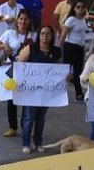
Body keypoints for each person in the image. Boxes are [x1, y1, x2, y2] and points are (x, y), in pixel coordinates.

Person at [17, 25, 64, 153]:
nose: (45, 36)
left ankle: (38, 143)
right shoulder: (31, 48)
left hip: (46, 91)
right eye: (42, 33)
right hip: (31, 90)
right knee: (28, 118)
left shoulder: (56, 51)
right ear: (39, 35)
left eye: (48, 34)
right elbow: (20, 65)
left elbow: (60, 69)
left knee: (41, 118)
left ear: (52, 36)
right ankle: (26, 144)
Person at [59, 0, 90, 101]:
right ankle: (58, 90)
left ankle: (78, 93)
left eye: (82, 7)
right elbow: (63, 35)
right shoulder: (71, 20)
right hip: (70, 46)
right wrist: (60, 48)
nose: (80, 9)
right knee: (65, 71)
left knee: (78, 71)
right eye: (78, 7)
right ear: (74, 9)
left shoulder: (83, 19)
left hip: (80, 47)